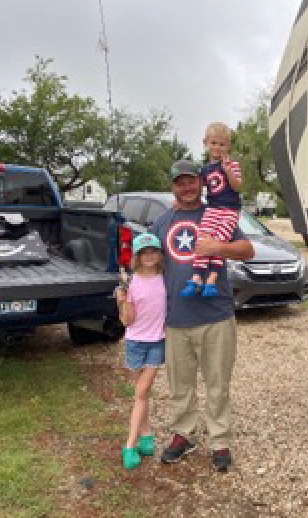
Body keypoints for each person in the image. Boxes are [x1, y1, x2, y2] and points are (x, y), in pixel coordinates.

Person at [152, 159, 254, 472]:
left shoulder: (218, 214)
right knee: (179, 385)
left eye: (191, 180)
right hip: (176, 318)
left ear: (201, 181)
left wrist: (217, 248)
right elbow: (149, 264)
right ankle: (184, 435)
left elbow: (247, 249)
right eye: (179, 182)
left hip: (216, 315)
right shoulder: (162, 221)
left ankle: (220, 441)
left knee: (217, 384)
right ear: (173, 186)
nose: (186, 187)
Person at [115, 233, 166, 470]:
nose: (149, 256)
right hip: (135, 342)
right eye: (144, 252)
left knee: (141, 393)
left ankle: (129, 444)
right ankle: (146, 435)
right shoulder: (130, 282)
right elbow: (127, 320)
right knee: (142, 395)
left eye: (153, 251)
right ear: (136, 256)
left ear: (159, 254)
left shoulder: (165, 279)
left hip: (157, 342)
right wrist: (122, 301)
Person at [180, 122, 242, 297]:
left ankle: (211, 280)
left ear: (227, 146)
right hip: (212, 209)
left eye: (222, 144)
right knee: (203, 240)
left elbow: (237, 187)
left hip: (230, 211)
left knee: (218, 244)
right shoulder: (204, 169)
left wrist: (228, 171)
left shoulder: (232, 165)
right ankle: (196, 277)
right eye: (214, 143)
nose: (217, 147)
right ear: (206, 143)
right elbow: (198, 190)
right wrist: (181, 203)